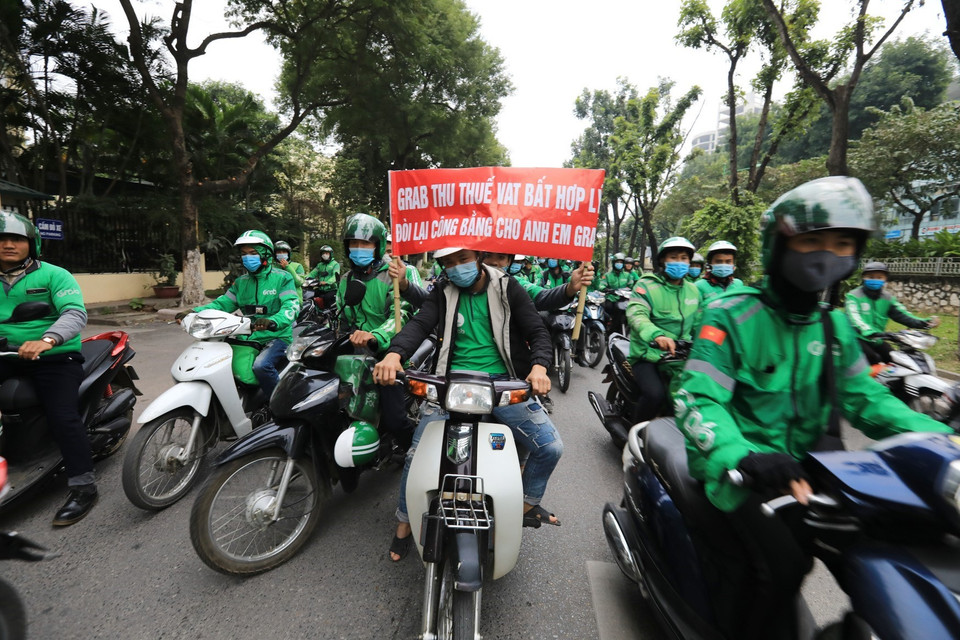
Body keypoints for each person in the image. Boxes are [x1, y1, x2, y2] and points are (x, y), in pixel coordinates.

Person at [674, 176, 953, 640]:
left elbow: (867, 399)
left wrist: (940, 438)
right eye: (811, 241)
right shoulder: (730, 314)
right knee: (783, 568)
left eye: (842, 243)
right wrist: (741, 455)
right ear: (779, 245)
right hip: (744, 473)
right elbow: (697, 398)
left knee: (894, 552)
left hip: (815, 471)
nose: (827, 255)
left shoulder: (833, 326)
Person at [373, 247, 563, 562]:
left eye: (463, 260)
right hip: (449, 383)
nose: (456, 267)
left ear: (478, 257)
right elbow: (419, 325)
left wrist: (539, 367)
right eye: (449, 263)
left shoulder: (508, 287)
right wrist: (394, 355)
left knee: (550, 447)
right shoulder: (442, 290)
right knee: (415, 455)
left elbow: (537, 331)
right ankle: (404, 521)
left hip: (502, 384)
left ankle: (526, 503)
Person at [0, 212, 97, 525]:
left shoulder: (55, 275)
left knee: (62, 416)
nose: (8, 244)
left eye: (16, 239)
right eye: (2, 239)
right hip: (5, 353)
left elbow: (74, 313)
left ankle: (83, 486)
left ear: (32, 243)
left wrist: (47, 339)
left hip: (54, 356)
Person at [185, 230, 299, 398]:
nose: (247, 258)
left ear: (266, 255)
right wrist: (194, 312)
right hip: (248, 335)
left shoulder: (283, 278)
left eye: (253, 253)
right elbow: (222, 304)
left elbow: (291, 306)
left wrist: (273, 321)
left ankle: (279, 403)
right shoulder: (241, 283)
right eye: (244, 254)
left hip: (277, 336)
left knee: (261, 366)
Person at [338, 213, 414, 441]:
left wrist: (375, 335)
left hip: (388, 353)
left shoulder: (395, 274)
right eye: (353, 243)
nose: (358, 248)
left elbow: (402, 314)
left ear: (378, 246)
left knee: (394, 420)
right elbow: (341, 316)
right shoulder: (346, 279)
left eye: (365, 243)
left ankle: (410, 446)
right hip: (354, 354)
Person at [626, 236, 701, 423]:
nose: (679, 262)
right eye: (673, 257)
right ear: (662, 261)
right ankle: (635, 435)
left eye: (684, 258)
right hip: (648, 355)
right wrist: (657, 335)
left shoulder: (694, 290)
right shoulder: (646, 285)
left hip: (681, 357)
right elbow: (637, 314)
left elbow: (700, 323)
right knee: (655, 395)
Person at [844, 260, 939, 365]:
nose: (875, 280)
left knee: (895, 359)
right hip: (857, 339)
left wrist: (925, 322)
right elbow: (855, 318)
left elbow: (903, 315)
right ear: (863, 278)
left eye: (879, 277)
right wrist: (871, 332)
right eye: (870, 277)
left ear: (885, 279)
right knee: (874, 359)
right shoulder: (853, 296)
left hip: (877, 339)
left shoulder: (888, 298)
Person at [600, 252, 633, 325]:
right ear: (613, 263)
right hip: (611, 298)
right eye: (617, 262)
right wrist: (607, 289)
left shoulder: (627, 275)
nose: (619, 264)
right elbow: (601, 285)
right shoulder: (607, 275)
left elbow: (632, 285)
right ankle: (608, 324)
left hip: (624, 298)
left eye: (621, 262)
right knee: (608, 308)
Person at [306, 244, 340, 309]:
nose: (324, 255)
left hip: (331, 289)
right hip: (320, 288)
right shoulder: (320, 265)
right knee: (310, 295)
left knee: (327, 298)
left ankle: (328, 313)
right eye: (323, 253)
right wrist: (303, 279)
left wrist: (327, 282)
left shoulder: (335, 264)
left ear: (331, 254)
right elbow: (312, 274)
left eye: (327, 253)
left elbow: (335, 276)